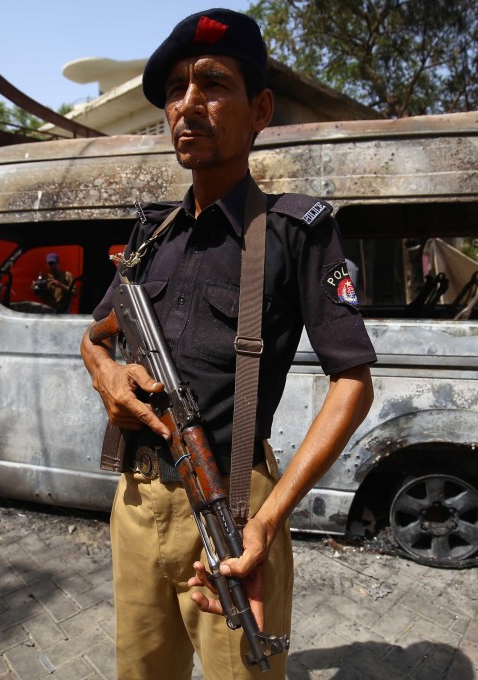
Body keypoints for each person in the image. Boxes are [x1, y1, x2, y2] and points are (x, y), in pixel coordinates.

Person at [79, 9, 375, 679]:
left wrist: (268, 521)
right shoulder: (151, 235)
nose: (188, 105)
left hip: (234, 507)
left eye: (212, 84)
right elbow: (94, 335)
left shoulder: (296, 231)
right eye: (176, 89)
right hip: (135, 500)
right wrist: (106, 373)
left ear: (260, 108)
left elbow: (353, 383)